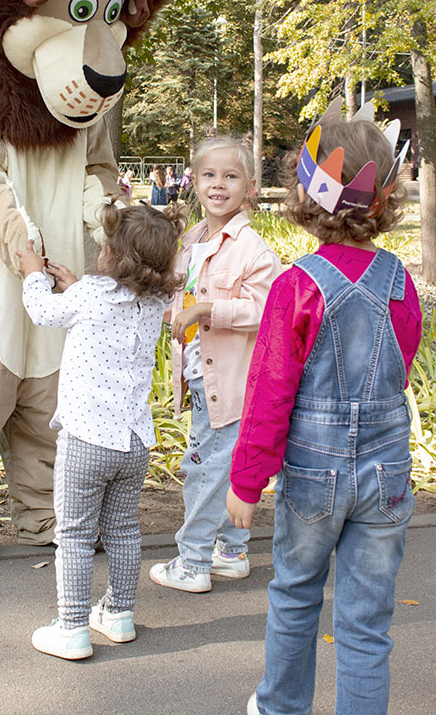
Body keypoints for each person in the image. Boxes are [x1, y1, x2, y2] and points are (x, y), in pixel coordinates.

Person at [227, 106, 422, 715]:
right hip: (387, 472)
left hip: (315, 471)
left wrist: (246, 481)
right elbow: (400, 366)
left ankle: (281, 707)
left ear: (306, 195)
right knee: (367, 621)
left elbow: (269, 394)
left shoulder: (297, 286)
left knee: (295, 596)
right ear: (384, 200)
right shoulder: (401, 283)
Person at [18, 202, 186, 660]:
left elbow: (42, 311)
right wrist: (78, 285)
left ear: (113, 255)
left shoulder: (90, 295)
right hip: (134, 443)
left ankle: (72, 626)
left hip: (87, 440)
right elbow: (114, 307)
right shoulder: (155, 302)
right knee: (123, 531)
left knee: (74, 534)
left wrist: (32, 272)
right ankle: (118, 614)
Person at [150, 136, 281, 592]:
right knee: (224, 465)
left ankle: (192, 561)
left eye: (231, 176)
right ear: (194, 181)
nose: (218, 184)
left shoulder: (253, 250)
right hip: (199, 376)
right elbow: (175, 298)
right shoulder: (190, 242)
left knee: (205, 469)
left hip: (230, 382)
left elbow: (266, 310)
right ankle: (231, 550)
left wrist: (207, 311)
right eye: (209, 175)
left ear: (250, 186)